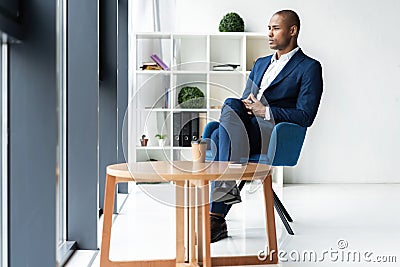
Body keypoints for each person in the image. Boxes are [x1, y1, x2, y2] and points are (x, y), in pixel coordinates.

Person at [209, 9, 323, 243]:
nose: (269, 34)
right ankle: (216, 217)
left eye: (276, 28)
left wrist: (266, 111)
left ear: (293, 31)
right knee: (230, 111)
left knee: (223, 133)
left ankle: (215, 215)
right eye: (268, 28)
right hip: (244, 130)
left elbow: (305, 116)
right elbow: (243, 102)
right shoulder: (261, 63)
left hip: (271, 134)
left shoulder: (309, 67)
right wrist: (248, 105)